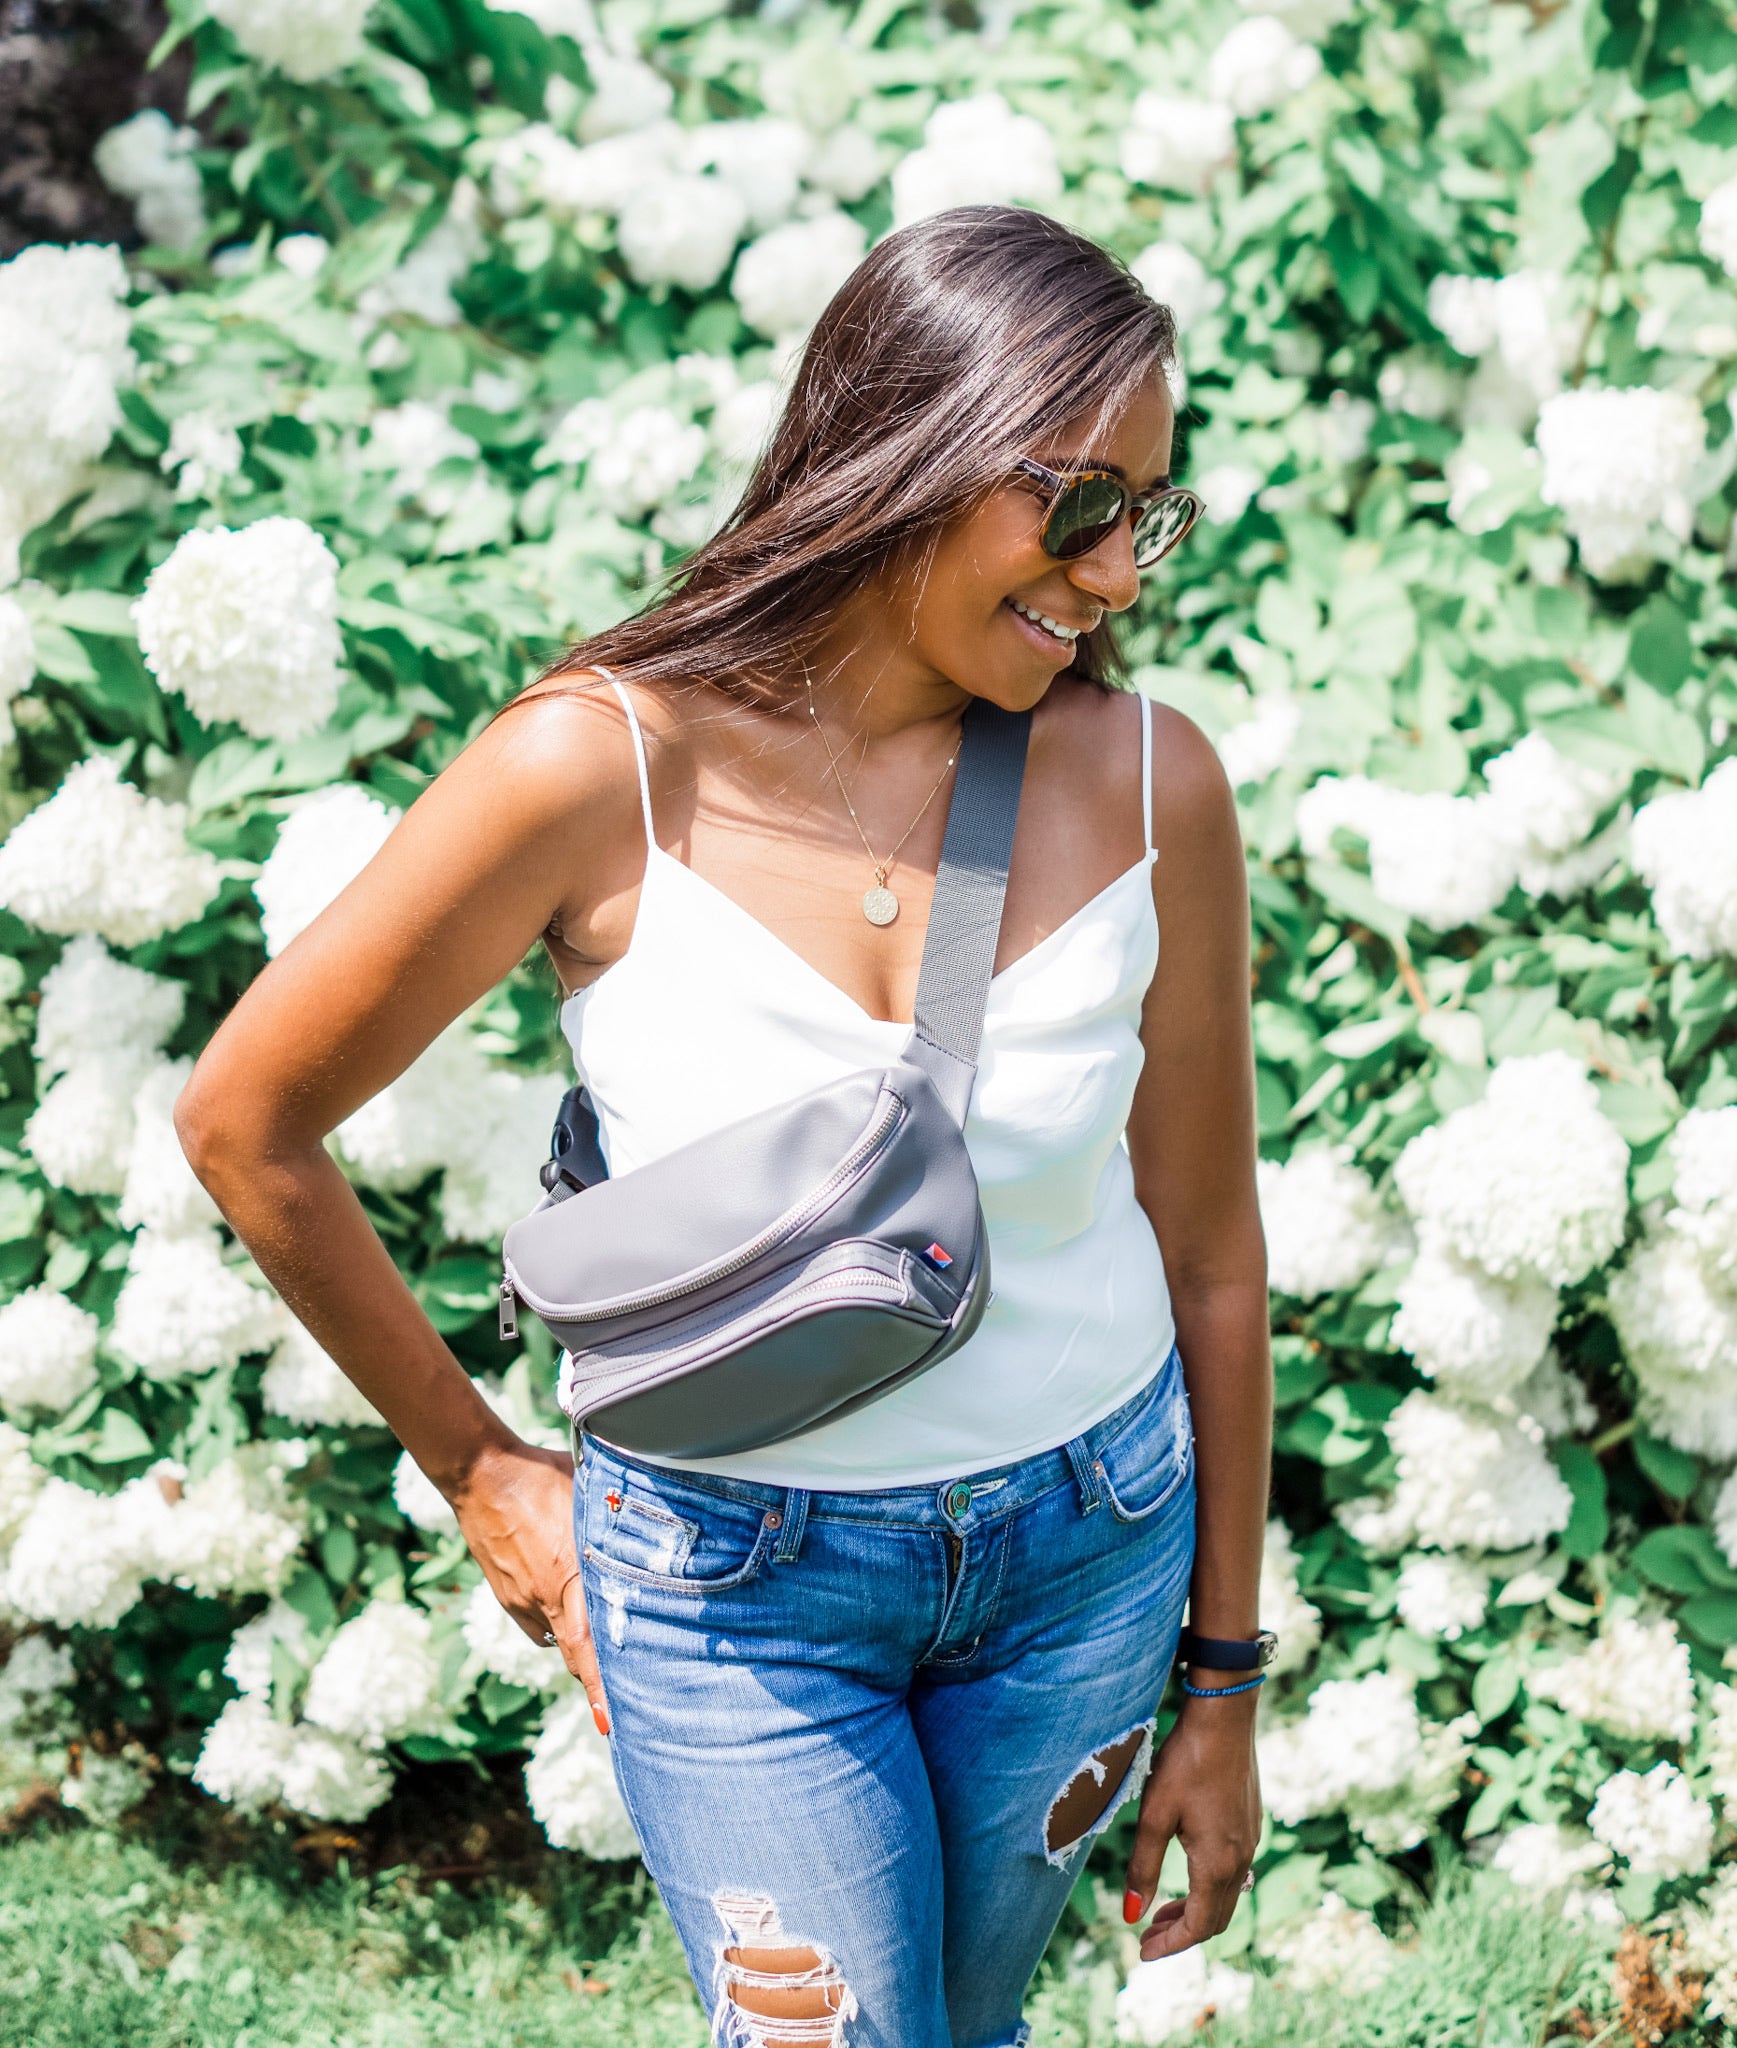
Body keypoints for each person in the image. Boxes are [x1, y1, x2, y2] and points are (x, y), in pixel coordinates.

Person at [175, 203, 1273, 2047]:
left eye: (1145, 516)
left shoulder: (1153, 781)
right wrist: (477, 1466)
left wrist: (1225, 1686)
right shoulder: (595, 766)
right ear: (905, 453)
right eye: (1076, 506)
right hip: (734, 1586)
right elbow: (246, 1121)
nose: (1117, 577)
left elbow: (1213, 1252)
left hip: (1091, 1545)